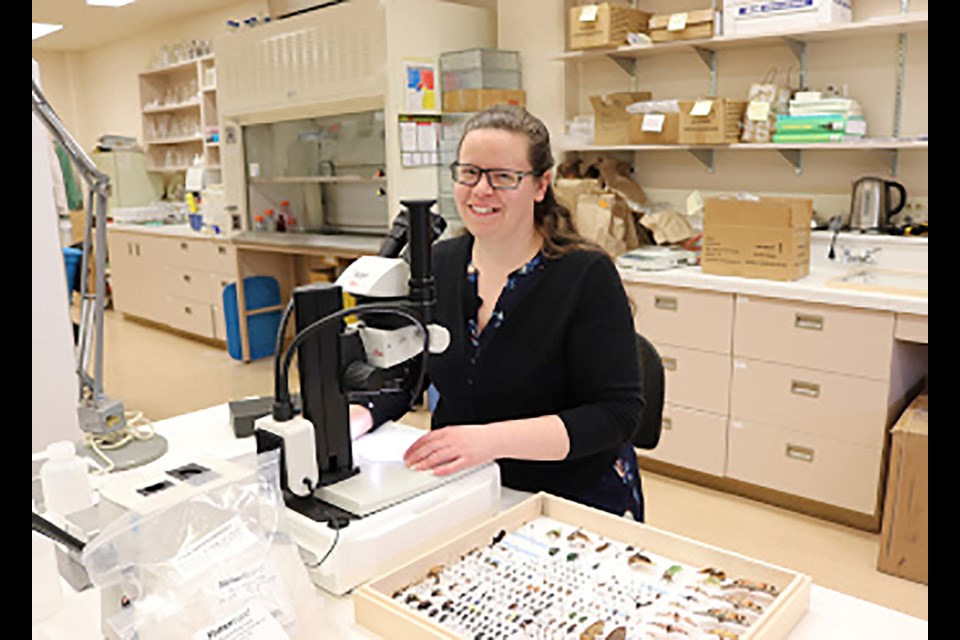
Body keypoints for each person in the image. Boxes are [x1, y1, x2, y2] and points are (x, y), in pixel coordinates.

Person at [349, 104, 645, 520]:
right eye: (469, 172)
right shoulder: (439, 264)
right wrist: (360, 415)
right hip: (463, 483)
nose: (480, 190)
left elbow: (615, 415)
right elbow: (408, 369)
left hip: (567, 495)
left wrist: (488, 441)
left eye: (503, 177)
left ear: (541, 185)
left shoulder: (584, 275)